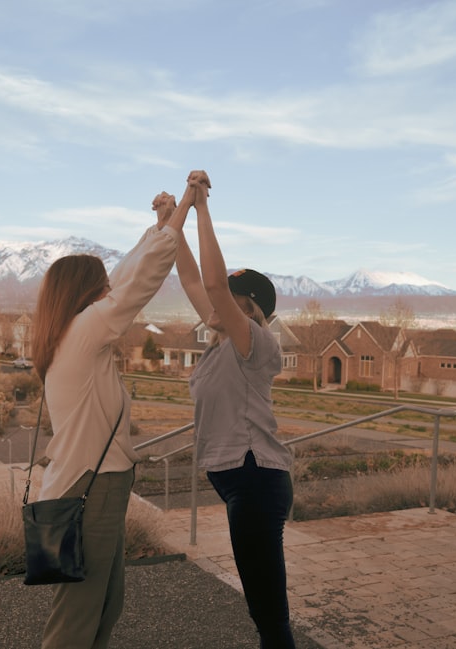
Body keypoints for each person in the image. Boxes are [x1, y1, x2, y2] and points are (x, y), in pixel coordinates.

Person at [30, 174, 199, 649]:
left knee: (104, 603)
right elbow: (138, 283)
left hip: (88, 483)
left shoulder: (73, 332)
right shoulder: (85, 330)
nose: (109, 289)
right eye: (100, 285)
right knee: (79, 616)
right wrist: (184, 207)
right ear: (85, 293)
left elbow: (125, 278)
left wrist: (160, 225)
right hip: (92, 486)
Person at [175, 172, 297, 648]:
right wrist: (173, 219)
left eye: (225, 295)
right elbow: (190, 276)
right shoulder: (220, 346)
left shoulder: (253, 342)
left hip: (256, 483)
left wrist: (202, 207)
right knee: (263, 610)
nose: (210, 298)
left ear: (246, 308)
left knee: (269, 615)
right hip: (239, 485)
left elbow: (207, 281)